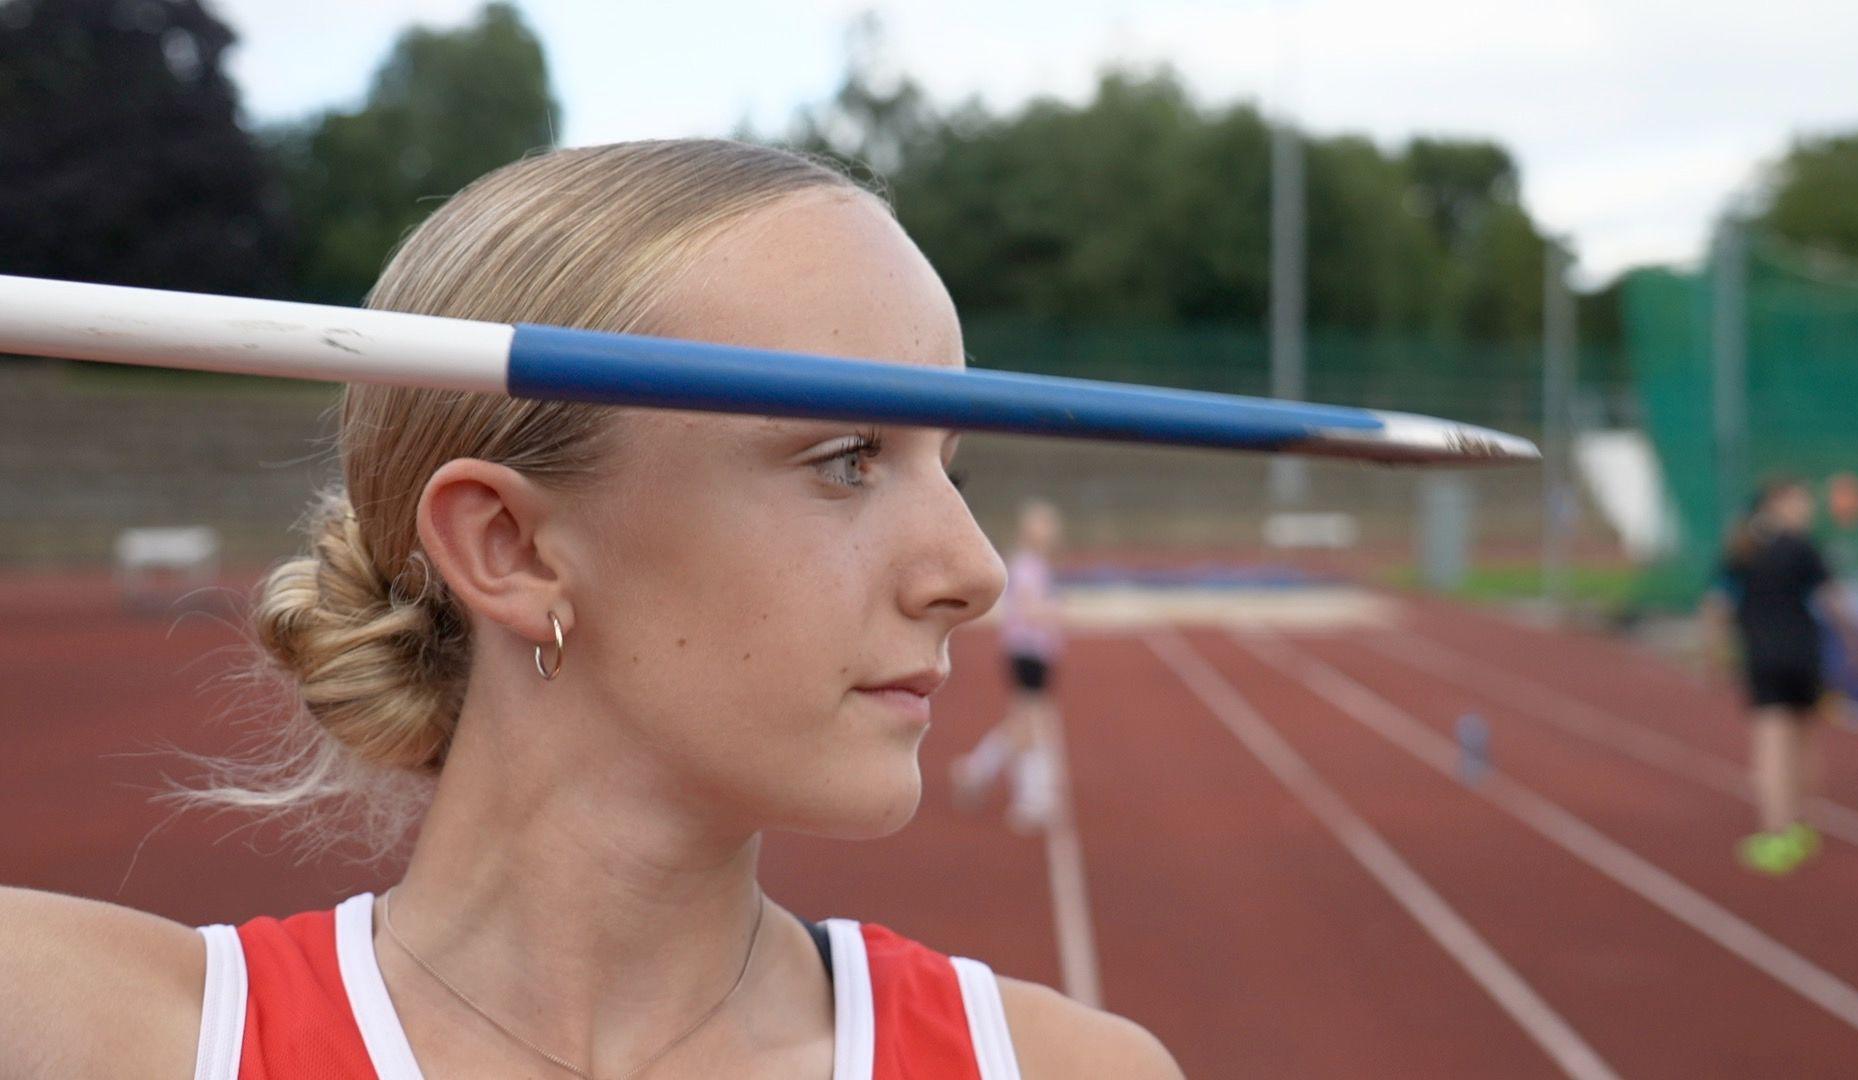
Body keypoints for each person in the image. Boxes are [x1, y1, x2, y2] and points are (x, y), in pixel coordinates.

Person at [0, 141, 1181, 1079]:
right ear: (509, 547)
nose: (969, 570)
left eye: (950, 468)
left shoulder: (1069, 1069)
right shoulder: (91, 1039)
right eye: (846, 459)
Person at [1700, 476, 1858, 876]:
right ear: (1777, 504)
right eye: (1801, 501)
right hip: (1803, 656)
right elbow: (1833, 598)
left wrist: (1712, 654)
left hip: (1765, 659)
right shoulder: (1800, 547)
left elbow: (1715, 604)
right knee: (1806, 741)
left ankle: (1777, 832)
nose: (1808, 508)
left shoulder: (1742, 550)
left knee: (1773, 746)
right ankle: (1803, 826)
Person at [951, 500, 1066, 832]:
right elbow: (1028, 610)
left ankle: (981, 772)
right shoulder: (1026, 566)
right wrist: (1055, 610)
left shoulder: (1036, 564)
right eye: (1045, 526)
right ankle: (1022, 796)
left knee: (1028, 722)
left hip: (1037, 651)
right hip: (1027, 650)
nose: (1051, 532)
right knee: (1029, 723)